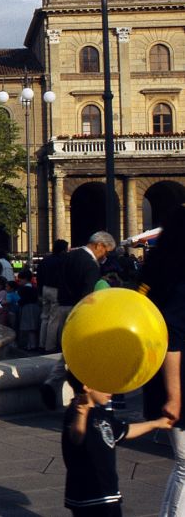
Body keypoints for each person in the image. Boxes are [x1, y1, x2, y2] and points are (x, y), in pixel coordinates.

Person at [64, 372, 171, 516]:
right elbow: (77, 437)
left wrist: (155, 424)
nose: (111, 391)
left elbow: (124, 431)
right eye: (105, 386)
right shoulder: (75, 412)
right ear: (88, 386)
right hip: (87, 494)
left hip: (107, 492)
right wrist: (81, 414)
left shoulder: (101, 412)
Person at [141, 204, 185, 515]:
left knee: (183, 464)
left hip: (164, 376)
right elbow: (174, 335)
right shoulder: (180, 279)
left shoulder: (158, 269)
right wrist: (174, 395)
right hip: (179, 382)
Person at [42, 231, 117, 409]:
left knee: (69, 350)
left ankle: (52, 382)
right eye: (105, 251)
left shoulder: (68, 256)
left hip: (61, 306)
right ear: (99, 245)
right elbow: (87, 296)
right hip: (79, 311)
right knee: (84, 352)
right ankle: (82, 395)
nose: (104, 256)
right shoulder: (90, 265)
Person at [38, 239, 69, 352]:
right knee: (54, 319)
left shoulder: (45, 260)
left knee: (44, 317)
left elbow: (39, 276)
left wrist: (40, 291)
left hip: (45, 288)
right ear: (63, 249)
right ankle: (50, 346)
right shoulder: (63, 260)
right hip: (56, 290)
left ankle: (41, 343)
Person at [16, 268, 41, 351]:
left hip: (27, 309)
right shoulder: (34, 288)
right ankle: (34, 344)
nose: (19, 282)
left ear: (25, 279)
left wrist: (18, 303)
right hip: (35, 308)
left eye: (20, 280)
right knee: (33, 328)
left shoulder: (22, 289)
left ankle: (30, 345)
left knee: (28, 328)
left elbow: (22, 300)